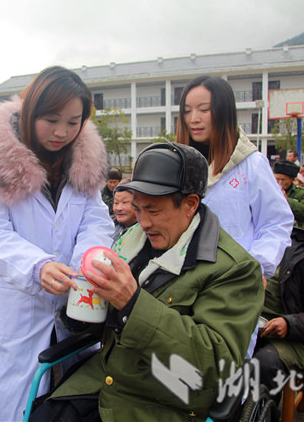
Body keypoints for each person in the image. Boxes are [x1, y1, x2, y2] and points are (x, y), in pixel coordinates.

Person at [30, 143, 263, 421]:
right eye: (138, 210)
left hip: (165, 400)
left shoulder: (234, 269)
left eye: (153, 211)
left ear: (190, 205)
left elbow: (217, 364)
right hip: (105, 379)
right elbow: (105, 324)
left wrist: (132, 304)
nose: (144, 222)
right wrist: (82, 307)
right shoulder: (131, 240)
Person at [0, 66, 114, 421]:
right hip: (19, 306)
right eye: (51, 120)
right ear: (32, 111)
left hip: (75, 300)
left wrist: (86, 263)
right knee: (19, 405)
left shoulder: (85, 161)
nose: (62, 132)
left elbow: (95, 221)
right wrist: (37, 266)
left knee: (77, 395)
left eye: (73, 121)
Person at [175, 75, 293, 281]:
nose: (194, 118)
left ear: (224, 112)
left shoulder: (252, 164)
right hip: (180, 279)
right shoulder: (175, 163)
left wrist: (255, 268)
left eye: (204, 110)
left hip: (230, 282)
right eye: (187, 111)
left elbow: (275, 223)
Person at [253, 227, 304, 418]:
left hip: (294, 339)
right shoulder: (240, 244)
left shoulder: (303, 256)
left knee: (263, 364)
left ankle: (262, 415)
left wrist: (289, 324)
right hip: (247, 328)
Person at [273, 160, 304, 227]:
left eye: (283, 180)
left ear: (292, 179)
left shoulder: (303, 192)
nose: (279, 183)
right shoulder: (270, 191)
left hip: (295, 230)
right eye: (277, 179)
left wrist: (287, 200)